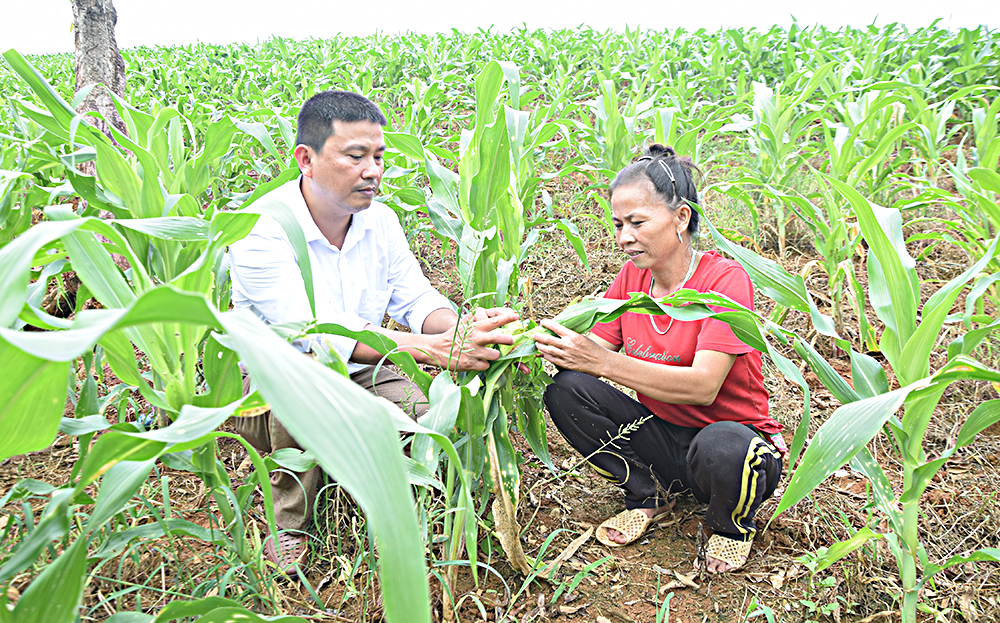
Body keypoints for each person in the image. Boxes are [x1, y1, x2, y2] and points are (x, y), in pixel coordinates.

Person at [229, 90, 518, 574]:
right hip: (268, 386)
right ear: (307, 159)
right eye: (356, 156)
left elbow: (416, 300)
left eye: (379, 156)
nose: (373, 171)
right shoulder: (262, 230)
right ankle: (290, 521)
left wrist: (464, 327)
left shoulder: (379, 222)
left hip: (361, 366)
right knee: (300, 375)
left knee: (427, 421)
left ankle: (388, 486)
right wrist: (434, 350)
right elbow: (316, 334)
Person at [532, 144, 786, 573]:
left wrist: (602, 362)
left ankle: (730, 526)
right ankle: (647, 493)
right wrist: (529, 349)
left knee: (725, 446)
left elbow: (704, 386)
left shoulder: (725, 280)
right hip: (664, 438)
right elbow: (588, 349)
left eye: (636, 222)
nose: (623, 237)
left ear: (681, 218)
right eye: (617, 224)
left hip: (733, 448)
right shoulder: (634, 277)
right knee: (566, 390)